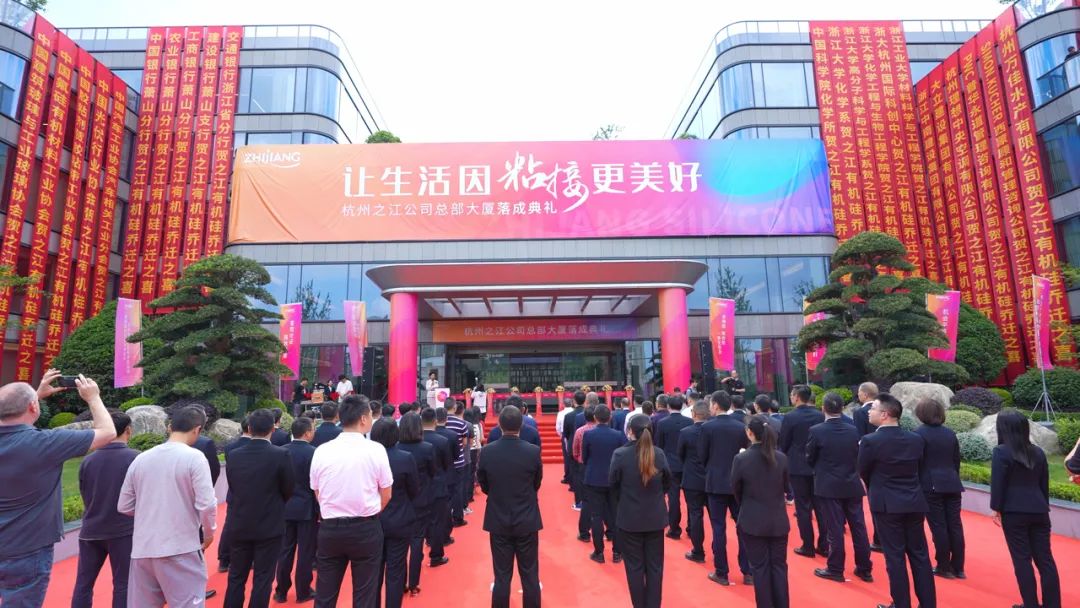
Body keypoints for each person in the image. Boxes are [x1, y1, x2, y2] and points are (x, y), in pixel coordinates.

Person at [0, 372, 115, 606]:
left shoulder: (42, 442)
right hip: (27, 549)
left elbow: (13, 415)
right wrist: (93, 397)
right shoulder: (46, 443)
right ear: (33, 407)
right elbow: (108, 432)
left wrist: (34, 396)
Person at [119, 405, 216, 608]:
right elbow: (207, 504)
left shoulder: (141, 458)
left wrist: (151, 512)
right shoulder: (195, 457)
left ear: (170, 427)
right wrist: (208, 534)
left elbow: (124, 505)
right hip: (181, 548)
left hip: (143, 549)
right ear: (197, 429)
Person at [309, 395, 393, 607]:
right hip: (365, 528)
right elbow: (386, 493)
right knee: (364, 595)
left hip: (330, 529)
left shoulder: (322, 451)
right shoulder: (375, 450)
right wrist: (370, 511)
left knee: (325, 594)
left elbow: (317, 492)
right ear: (364, 419)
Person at [858, 393, 936, 608]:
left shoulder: (870, 441)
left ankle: (901, 604)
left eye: (873, 408)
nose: (869, 411)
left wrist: (878, 488)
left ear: (885, 414)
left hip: (886, 505)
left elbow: (863, 471)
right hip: (914, 501)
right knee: (920, 555)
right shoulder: (915, 439)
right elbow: (921, 469)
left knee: (895, 557)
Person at [223, 409, 294, 608]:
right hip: (269, 524)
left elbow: (233, 486)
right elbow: (288, 489)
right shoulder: (281, 454)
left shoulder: (234, 455)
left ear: (249, 428)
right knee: (263, 577)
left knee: (236, 576)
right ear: (273, 428)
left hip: (239, 521)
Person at [991, 411, 1061, 608]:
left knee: (1022, 560)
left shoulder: (1001, 452)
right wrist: (1043, 504)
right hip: (1039, 510)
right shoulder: (1038, 452)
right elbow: (1044, 484)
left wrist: (996, 508)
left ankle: (1030, 604)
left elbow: (998, 483)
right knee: (1045, 560)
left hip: (1014, 512)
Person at [478, 405, 543, 608]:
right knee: (530, 574)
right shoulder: (532, 451)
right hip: (526, 517)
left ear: (499, 424)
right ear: (521, 424)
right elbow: (536, 484)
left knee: (501, 576)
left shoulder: (487, 452)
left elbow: (484, 484)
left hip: (498, 517)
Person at [72, 409, 138, 608]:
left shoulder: (88, 461)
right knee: (123, 583)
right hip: (123, 530)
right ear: (128, 430)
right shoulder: (136, 458)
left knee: (83, 583)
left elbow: (85, 494)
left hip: (91, 529)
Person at [806, 392, 873, 584]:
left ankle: (835, 568)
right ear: (842, 408)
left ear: (823, 409)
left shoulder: (816, 431)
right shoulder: (853, 430)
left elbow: (809, 457)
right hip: (851, 482)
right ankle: (864, 568)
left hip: (828, 485)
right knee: (858, 527)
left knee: (834, 528)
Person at [609, 414, 671, 608]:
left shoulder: (620, 455)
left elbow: (613, 485)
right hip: (654, 517)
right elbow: (667, 483)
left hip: (630, 518)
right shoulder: (659, 454)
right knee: (655, 568)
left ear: (630, 431)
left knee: (634, 568)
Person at [731, 415, 791, 608]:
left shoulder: (741, 459)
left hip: (752, 520)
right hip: (777, 520)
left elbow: (736, 490)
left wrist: (748, 505)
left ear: (750, 433)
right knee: (779, 566)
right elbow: (787, 487)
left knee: (760, 568)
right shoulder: (781, 458)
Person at [698, 390, 750, 585]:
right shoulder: (740, 427)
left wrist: (711, 469)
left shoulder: (707, 427)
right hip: (737, 483)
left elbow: (702, 456)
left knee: (718, 527)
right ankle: (748, 571)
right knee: (742, 526)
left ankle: (722, 572)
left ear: (716, 405)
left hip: (715, 482)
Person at [913, 398, 966, 580]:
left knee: (939, 526)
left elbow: (917, 462)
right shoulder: (950, 433)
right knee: (955, 525)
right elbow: (956, 460)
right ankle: (958, 567)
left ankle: (943, 565)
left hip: (930, 484)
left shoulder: (918, 434)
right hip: (952, 482)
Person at [370, 419, 419, 608]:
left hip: (372, 520)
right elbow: (414, 489)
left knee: (373, 572)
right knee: (395, 571)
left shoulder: (367, 458)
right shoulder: (405, 458)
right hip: (399, 519)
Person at [779, 384, 827, 558]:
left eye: (792, 395)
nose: (791, 398)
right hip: (817, 466)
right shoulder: (820, 415)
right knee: (820, 507)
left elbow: (784, 442)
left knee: (803, 508)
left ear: (797, 397)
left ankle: (808, 545)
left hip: (798, 467)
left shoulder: (790, 417)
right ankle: (824, 545)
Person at [275, 417, 318, 604]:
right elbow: (316, 483)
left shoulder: (281, 451)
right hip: (306, 508)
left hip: (285, 507)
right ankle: (303, 591)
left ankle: (281, 591)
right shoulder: (314, 452)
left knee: (285, 550)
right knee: (306, 551)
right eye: (313, 429)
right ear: (307, 433)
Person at [396, 412, 436, 597]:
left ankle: (402, 581)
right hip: (421, 499)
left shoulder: (396, 448)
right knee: (417, 540)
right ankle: (413, 582)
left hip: (401, 501)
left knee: (401, 544)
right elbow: (433, 472)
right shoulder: (427, 448)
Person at [581, 405, 627, 563]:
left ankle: (599, 552)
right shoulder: (618, 435)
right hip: (613, 479)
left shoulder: (588, 435)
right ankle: (617, 552)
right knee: (616, 515)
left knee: (596, 516)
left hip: (594, 478)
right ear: (610, 417)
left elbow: (584, 457)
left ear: (595, 417)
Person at [677, 399, 710, 564]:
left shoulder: (686, 432)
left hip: (692, 478)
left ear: (694, 414)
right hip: (710, 478)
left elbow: (680, 454)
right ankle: (717, 551)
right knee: (716, 519)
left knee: (695, 515)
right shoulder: (712, 430)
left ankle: (698, 551)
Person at [655, 393, 692, 540]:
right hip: (687, 464)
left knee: (673, 497)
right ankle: (691, 527)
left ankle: (674, 528)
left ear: (668, 406)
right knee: (690, 499)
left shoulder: (663, 423)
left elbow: (659, 445)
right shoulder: (689, 422)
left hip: (670, 464)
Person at [218, 416, 252, 573]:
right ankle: (247, 559)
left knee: (229, 525)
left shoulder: (230, 447)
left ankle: (224, 559)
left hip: (234, 491)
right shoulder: (256, 447)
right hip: (252, 493)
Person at [421, 407, 452, 567]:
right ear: (435, 421)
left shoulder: (415, 440)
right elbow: (447, 464)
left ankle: (428, 540)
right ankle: (436, 555)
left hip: (420, 486)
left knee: (424, 519)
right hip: (438, 485)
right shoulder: (442, 441)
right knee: (438, 520)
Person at [853, 382, 881, 550]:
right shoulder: (886, 408)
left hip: (869, 459)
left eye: (859, 392)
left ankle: (879, 538)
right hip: (886, 458)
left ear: (864, 394)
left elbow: (859, 439)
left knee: (875, 500)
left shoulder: (860, 412)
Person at [572, 404, 599, 540]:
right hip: (601, 467)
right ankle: (610, 532)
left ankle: (584, 532)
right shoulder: (604, 431)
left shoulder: (580, 431)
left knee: (587, 500)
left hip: (585, 467)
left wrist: (580, 460)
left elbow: (575, 451)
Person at [443, 400, 470, 527]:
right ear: (454, 408)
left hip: (443, 462)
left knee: (445, 490)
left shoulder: (440, 422)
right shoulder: (461, 423)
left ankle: (445, 516)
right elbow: (464, 443)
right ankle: (458, 517)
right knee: (457, 490)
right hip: (458, 461)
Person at [562, 390, 587, 508]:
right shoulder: (589, 414)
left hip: (573, 447)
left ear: (574, 401)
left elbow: (566, 434)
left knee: (576, 473)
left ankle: (578, 500)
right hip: (587, 446)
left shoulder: (569, 416)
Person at [556, 397, 575, 484]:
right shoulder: (574, 412)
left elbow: (558, 427)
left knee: (567, 457)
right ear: (571, 403)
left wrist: (561, 435)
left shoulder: (560, 413)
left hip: (565, 435)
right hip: (574, 434)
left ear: (563, 404)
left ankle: (567, 477)